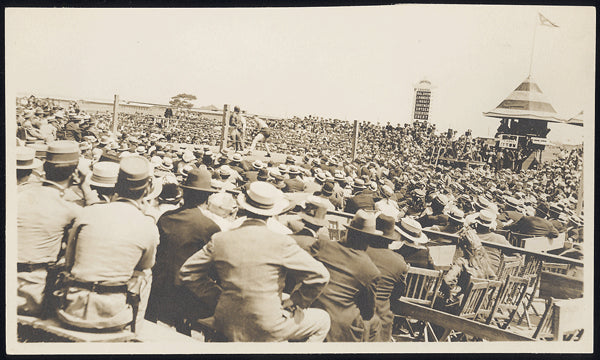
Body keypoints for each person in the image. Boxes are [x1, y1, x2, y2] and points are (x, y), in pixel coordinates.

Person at [179, 181, 331, 342]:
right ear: (272, 213)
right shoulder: (281, 242)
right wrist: (296, 300)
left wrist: (219, 297)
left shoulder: (221, 238)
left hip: (226, 317)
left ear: (244, 207)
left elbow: (188, 272)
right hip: (266, 324)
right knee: (323, 319)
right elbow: (320, 276)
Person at [56, 156, 159, 332]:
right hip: (113, 313)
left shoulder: (88, 212)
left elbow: (69, 260)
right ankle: (136, 331)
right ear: (147, 190)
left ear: (117, 185)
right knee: (145, 274)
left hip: (72, 305)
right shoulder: (148, 225)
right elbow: (145, 265)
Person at [145, 167, 222, 332]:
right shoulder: (209, 226)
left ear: (184, 193)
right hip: (186, 294)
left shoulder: (165, 218)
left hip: (158, 289)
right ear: (207, 198)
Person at [17, 141, 83, 317]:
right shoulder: (69, 209)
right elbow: (99, 223)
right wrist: (86, 187)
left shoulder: (18, 195)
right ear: (75, 173)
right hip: (33, 291)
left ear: (44, 167)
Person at [308, 210, 381, 342]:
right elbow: (367, 312)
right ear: (369, 240)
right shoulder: (371, 270)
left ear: (349, 231)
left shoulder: (322, 245)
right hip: (340, 329)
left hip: (309, 313)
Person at [363, 212, 409, 342]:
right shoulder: (399, 262)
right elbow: (398, 293)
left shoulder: (359, 250)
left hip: (353, 308)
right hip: (380, 315)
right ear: (390, 239)